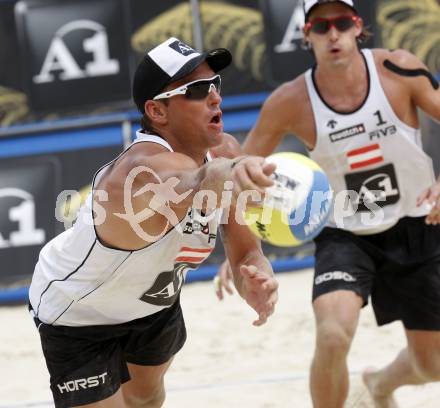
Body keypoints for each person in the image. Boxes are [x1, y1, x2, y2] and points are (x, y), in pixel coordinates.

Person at [28, 37, 279, 408]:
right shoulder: (139, 170)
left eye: (216, 85)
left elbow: (245, 251)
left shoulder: (225, 150)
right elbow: (194, 180)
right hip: (77, 313)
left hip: (154, 306)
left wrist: (255, 277)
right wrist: (236, 170)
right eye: (196, 89)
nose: (214, 97)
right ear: (157, 112)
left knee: (145, 398)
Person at [214, 1, 440, 407]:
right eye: (321, 26)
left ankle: (381, 384)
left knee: (431, 364)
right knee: (333, 336)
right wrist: (239, 251)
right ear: (306, 35)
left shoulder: (398, 69)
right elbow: (241, 178)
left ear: (358, 27)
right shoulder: (289, 100)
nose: (332, 34)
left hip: (418, 224)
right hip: (346, 234)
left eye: (340, 23)